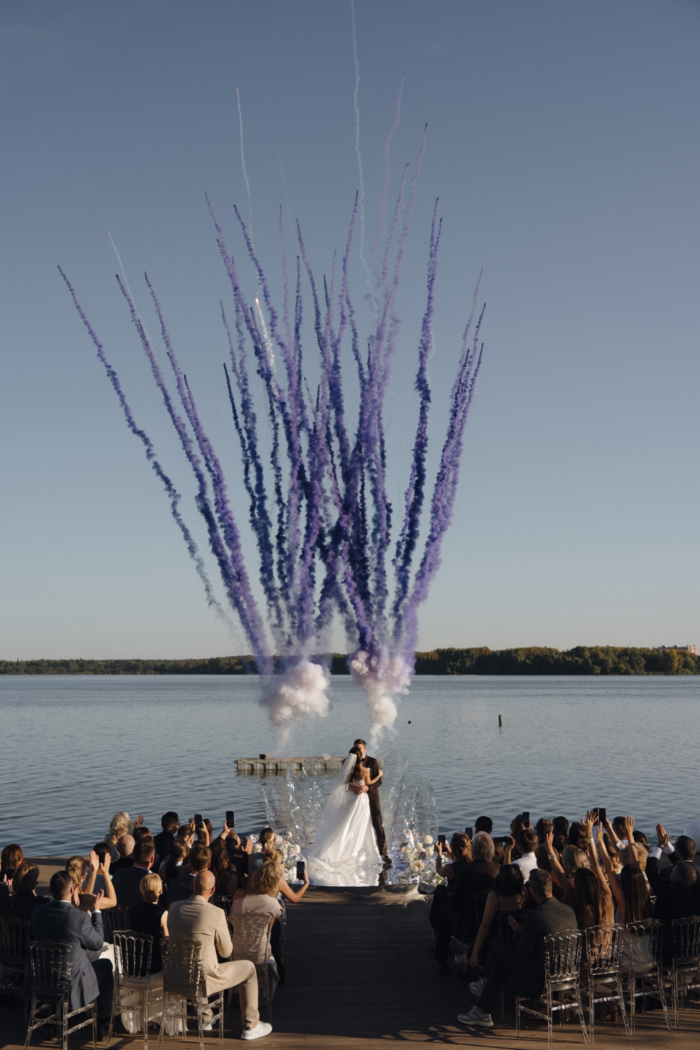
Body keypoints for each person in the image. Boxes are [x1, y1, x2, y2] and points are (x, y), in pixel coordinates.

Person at [458, 869, 577, 1028]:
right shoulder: (569, 911)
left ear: (533, 891)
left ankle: (483, 999)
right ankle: (482, 1010)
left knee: (497, 947)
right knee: (499, 962)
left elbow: (522, 953)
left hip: (537, 979)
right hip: (565, 974)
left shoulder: (535, 917)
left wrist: (517, 933)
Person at [168, 870, 272, 1040]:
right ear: (213, 890)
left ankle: (205, 1018)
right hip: (205, 978)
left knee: (193, 963)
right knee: (249, 968)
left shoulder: (174, 907)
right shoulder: (216, 913)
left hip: (177, 973)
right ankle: (251, 1025)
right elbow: (226, 951)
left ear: (192, 885)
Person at [31, 870, 113, 1041]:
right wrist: (97, 912)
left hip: (43, 978)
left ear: (51, 890)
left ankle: (50, 1024)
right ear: (71, 890)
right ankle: (104, 1026)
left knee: (58, 965)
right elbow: (97, 943)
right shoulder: (79, 917)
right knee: (106, 965)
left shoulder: (38, 912)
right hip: (73, 983)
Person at [306, 748, 383, 886]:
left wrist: (351, 787)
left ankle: (342, 846)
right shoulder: (365, 770)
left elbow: (342, 785)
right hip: (361, 800)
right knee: (360, 825)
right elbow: (369, 783)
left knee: (346, 823)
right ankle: (356, 848)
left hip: (350, 799)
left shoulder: (348, 771)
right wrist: (379, 775)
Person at [466, 864, 526, 972]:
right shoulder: (523, 894)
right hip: (515, 939)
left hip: (495, 940)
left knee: (479, 936)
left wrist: (475, 952)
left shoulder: (494, 896)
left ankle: (466, 959)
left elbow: (485, 925)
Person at [353, 738, 388, 859]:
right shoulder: (348, 762)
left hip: (372, 796)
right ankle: (358, 851)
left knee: (377, 822)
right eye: (356, 748)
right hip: (355, 798)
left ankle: (383, 851)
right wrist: (352, 788)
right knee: (356, 823)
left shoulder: (373, 762)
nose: (358, 751)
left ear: (365, 749)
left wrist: (367, 788)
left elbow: (379, 782)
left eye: (359, 748)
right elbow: (343, 782)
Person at [128, 872, 169, 973]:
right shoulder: (163, 913)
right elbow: (166, 942)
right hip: (155, 966)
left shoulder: (131, 910)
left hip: (134, 964)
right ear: (161, 890)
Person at [112, 838, 157, 908]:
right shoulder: (153, 882)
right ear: (152, 859)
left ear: (133, 855)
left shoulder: (118, 874)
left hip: (118, 913)